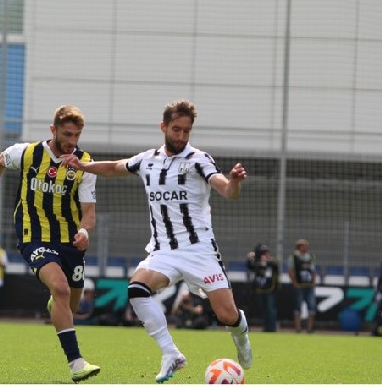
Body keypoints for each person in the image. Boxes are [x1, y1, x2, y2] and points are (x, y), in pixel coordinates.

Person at [62, 100, 252, 383]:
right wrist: (83, 165)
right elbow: (114, 167)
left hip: (199, 250)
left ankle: (241, 335)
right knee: (137, 290)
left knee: (226, 315)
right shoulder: (147, 160)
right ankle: (171, 353)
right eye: (176, 129)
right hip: (163, 251)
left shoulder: (199, 159)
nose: (181, 136)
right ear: (163, 126)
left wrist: (234, 181)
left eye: (186, 131)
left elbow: (227, 191)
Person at [0, 105, 100, 383]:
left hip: (70, 241)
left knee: (70, 304)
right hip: (34, 236)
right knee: (61, 288)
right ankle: (76, 363)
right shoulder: (28, 153)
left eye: (77, 135)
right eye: (67, 134)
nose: (72, 141)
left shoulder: (85, 163)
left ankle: (57, 301)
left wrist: (84, 231)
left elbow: (89, 212)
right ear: (53, 130)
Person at [247, 243, 280, 332]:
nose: (265, 255)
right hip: (260, 289)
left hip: (270, 290)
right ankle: (266, 327)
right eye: (262, 253)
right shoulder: (256, 263)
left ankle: (272, 328)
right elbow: (250, 266)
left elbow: (274, 264)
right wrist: (250, 258)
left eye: (266, 253)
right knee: (263, 310)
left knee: (271, 309)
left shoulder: (272, 261)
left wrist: (263, 261)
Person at [288, 238, 317, 333]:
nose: (305, 248)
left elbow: (313, 271)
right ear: (299, 247)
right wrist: (295, 283)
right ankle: (298, 327)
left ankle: (309, 328)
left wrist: (313, 282)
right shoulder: (293, 257)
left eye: (306, 246)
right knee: (297, 307)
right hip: (299, 286)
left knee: (312, 306)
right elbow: (291, 271)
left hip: (309, 286)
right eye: (303, 246)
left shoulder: (310, 257)